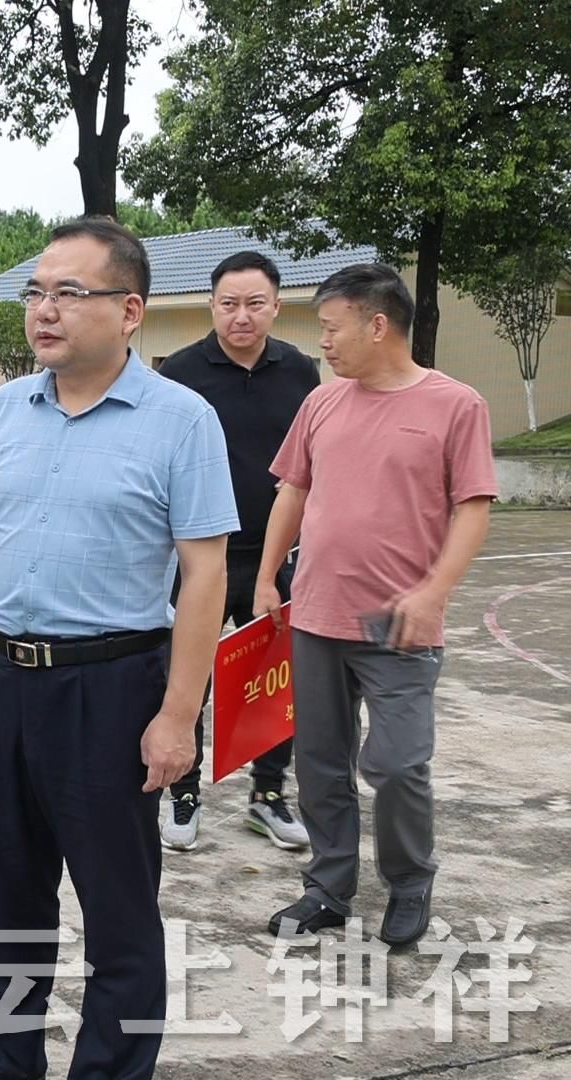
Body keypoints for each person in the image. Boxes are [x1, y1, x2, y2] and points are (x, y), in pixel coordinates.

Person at [0, 217, 236, 1080]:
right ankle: (9, 1052)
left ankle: (110, 1068)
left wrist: (179, 716)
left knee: (117, 903)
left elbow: (204, 575)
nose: (44, 310)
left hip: (114, 686)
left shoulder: (181, 420)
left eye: (69, 292)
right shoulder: (3, 411)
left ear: (129, 310)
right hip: (7, 676)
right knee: (12, 886)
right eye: (36, 292)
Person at [257, 263, 496, 948]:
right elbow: (293, 492)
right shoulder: (322, 403)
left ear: (378, 325)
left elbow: (473, 508)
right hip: (316, 613)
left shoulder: (456, 405)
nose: (324, 342)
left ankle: (410, 881)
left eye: (333, 328)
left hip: (399, 622)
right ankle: (328, 888)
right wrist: (268, 577)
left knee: (396, 764)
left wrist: (434, 592)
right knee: (319, 761)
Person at [156, 251, 319, 852]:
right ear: (212, 306)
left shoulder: (300, 371)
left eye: (254, 304)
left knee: (271, 682)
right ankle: (183, 792)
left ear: (276, 306)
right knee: (186, 678)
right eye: (229, 304)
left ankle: (268, 794)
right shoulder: (179, 371)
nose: (241, 316)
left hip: (272, 558)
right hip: (197, 558)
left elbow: (310, 462)